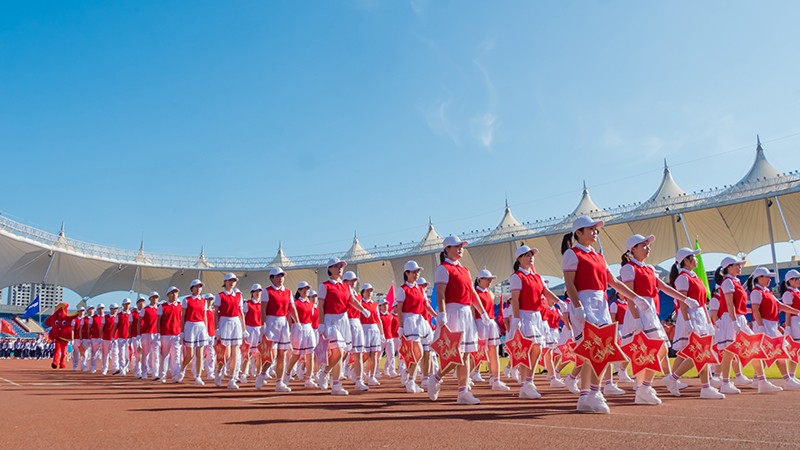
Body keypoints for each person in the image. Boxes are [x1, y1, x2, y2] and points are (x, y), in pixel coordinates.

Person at [561, 216, 656, 413]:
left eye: (596, 229)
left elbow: (613, 281)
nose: (595, 232)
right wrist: (578, 307)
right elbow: (569, 283)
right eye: (590, 229)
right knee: (595, 351)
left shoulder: (599, 256)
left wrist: (635, 297)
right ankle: (594, 392)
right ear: (578, 232)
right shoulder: (572, 254)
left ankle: (586, 395)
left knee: (598, 351)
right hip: (584, 303)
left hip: (600, 304)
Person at [618, 234, 698, 404]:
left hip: (650, 312)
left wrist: (685, 299)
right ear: (633, 249)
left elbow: (664, 287)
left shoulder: (649, 268)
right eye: (644, 245)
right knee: (652, 349)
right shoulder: (629, 268)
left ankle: (643, 387)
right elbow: (629, 296)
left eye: (648, 245)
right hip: (639, 312)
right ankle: (643, 386)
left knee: (658, 349)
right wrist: (636, 318)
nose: (648, 248)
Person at [427, 236, 493, 405]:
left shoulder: (465, 270)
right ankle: (436, 377)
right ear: (447, 249)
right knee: (456, 354)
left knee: (466, 354)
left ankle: (463, 392)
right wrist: (441, 314)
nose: (460, 249)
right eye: (456, 247)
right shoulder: (443, 269)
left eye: (461, 246)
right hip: (452, 311)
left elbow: (472, 294)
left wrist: (483, 312)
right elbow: (441, 293)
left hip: (466, 313)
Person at [663, 247, 724, 399]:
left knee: (687, 352)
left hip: (700, 315)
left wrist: (707, 320)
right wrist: (687, 321)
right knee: (700, 351)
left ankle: (675, 380)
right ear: (686, 260)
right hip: (690, 316)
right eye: (693, 257)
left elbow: (702, 301)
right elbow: (682, 302)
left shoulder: (694, 276)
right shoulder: (683, 278)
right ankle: (697, 384)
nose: (697, 259)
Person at [714, 257, 781, 394]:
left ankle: (762, 381)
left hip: (739, 317)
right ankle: (725, 382)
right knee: (729, 351)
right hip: (731, 318)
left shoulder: (735, 281)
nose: (740, 267)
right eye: (737, 265)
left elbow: (737, 304)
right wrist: (734, 322)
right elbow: (729, 304)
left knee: (754, 347)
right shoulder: (727, 282)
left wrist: (743, 314)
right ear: (729, 267)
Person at [508, 245, 561, 399]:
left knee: (535, 349)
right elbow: (516, 299)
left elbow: (546, 291)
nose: (530, 257)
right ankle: (527, 383)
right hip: (525, 315)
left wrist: (560, 302)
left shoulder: (537, 276)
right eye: (526, 255)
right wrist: (517, 318)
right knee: (532, 348)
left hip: (537, 316)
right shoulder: (517, 277)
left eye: (531, 254)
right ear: (519, 259)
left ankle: (526, 383)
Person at [317, 257, 372, 396]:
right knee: (339, 352)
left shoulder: (346, 286)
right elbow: (321, 306)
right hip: (330, 320)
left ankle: (333, 381)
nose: (340, 268)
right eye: (336, 266)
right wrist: (321, 323)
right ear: (329, 269)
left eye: (341, 266)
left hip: (344, 320)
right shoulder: (324, 286)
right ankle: (327, 375)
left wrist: (363, 310)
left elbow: (352, 301)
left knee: (341, 352)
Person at [748, 267, 800, 389]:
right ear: (759, 278)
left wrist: (797, 311)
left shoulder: (767, 291)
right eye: (767, 277)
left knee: (768, 353)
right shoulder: (756, 292)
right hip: (764, 325)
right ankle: (787, 380)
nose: (769, 279)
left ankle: (758, 379)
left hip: (771, 325)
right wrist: (760, 327)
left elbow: (780, 305)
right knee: (778, 352)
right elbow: (755, 309)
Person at [394, 260, 436, 394]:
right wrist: (400, 326)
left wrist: (436, 315)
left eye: (418, 272)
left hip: (420, 321)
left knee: (423, 352)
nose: (417, 274)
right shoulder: (402, 289)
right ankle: (410, 379)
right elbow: (399, 309)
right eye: (414, 272)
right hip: (408, 320)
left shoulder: (420, 289)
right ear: (407, 273)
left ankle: (409, 375)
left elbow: (426, 305)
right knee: (417, 352)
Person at [261, 267, 300, 392]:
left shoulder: (288, 292)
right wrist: (264, 325)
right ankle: (262, 374)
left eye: (282, 276)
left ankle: (279, 382)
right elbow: (263, 309)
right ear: (272, 278)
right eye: (277, 276)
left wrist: (297, 322)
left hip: (283, 323)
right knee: (271, 354)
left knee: (282, 354)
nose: (280, 279)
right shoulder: (267, 291)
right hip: (271, 322)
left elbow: (291, 308)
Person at [473, 269, 509, 392]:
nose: (489, 282)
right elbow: (473, 312)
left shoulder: (489, 293)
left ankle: (496, 379)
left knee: (493, 352)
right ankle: (468, 375)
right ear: (480, 280)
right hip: (479, 324)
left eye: (490, 280)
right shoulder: (475, 293)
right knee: (477, 353)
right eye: (487, 279)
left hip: (490, 323)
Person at [214, 273, 247, 389]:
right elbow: (215, 313)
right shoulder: (220, 296)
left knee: (235, 352)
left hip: (236, 323)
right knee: (224, 352)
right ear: (225, 282)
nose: (232, 283)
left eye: (234, 281)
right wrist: (216, 328)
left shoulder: (238, 296)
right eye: (230, 281)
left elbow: (241, 313)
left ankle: (232, 378)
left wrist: (244, 329)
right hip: (224, 322)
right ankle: (219, 371)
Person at [285, 281, 319, 389]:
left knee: (311, 354)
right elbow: (290, 317)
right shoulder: (295, 303)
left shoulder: (310, 303)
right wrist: (290, 330)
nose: (306, 291)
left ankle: (308, 379)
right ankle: (287, 374)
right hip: (298, 328)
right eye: (304, 289)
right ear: (299, 290)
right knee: (296, 354)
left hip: (309, 328)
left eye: (307, 289)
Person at [342, 271, 369, 391]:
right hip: (346, 322)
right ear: (345, 281)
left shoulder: (358, 295)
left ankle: (359, 380)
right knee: (342, 353)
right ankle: (332, 374)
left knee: (358, 352)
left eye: (355, 281)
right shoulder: (343, 294)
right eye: (351, 280)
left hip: (357, 323)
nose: (354, 283)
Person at [178, 279, 209, 385]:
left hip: (201, 326)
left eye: (200, 287)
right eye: (197, 286)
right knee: (190, 355)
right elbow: (183, 317)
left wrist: (207, 330)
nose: (199, 289)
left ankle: (198, 376)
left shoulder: (204, 301)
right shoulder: (186, 300)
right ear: (192, 288)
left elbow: (205, 317)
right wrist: (181, 331)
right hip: (189, 326)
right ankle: (182, 369)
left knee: (200, 354)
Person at [360, 283, 384, 386]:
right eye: (367, 291)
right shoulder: (360, 303)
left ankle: (371, 376)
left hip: (374, 329)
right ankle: (358, 372)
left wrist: (382, 333)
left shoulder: (375, 305)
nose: (369, 293)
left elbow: (379, 319)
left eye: (371, 291)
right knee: (365, 354)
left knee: (374, 354)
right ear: (363, 292)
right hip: (364, 329)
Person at [158, 287, 183, 383]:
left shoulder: (180, 306)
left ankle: (175, 375)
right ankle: (163, 375)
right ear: (168, 295)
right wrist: (158, 333)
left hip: (176, 334)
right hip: (165, 334)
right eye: (172, 293)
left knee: (176, 356)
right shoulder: (163, 306)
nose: (174, 295)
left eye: (176, 293)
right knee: (165, 356)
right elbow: (158, 320)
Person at [241, 283, 264, 384]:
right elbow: (243, 317)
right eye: (256, 291)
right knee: (248, 353)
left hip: (259, 330)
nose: (258, 293)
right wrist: (244, 330)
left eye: (259, 291)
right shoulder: (248, 304)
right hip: (250, 329)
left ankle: (258, 374)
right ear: (252, 293)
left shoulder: (263, 304)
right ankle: (243, 374)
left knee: (259, 353)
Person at [780, 269, 800, 379]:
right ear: (791, 281)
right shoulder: (788, 293)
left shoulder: (797, 292)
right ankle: (791, 375)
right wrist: (788, 327)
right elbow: (788, 312)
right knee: (796, 349)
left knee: (798, 350)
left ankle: (792, 375)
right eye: (797, 279)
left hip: (798, 321)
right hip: (794, 322)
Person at [139, 292, 161, 380]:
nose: (155, 299)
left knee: (155, 355)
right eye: (153, 297)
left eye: (156, 297)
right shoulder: (145, 309)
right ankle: (144, 373)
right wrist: (139, 335)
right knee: (145, 354)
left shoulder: (159, 309)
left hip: (155, 334)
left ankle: (155, 373)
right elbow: (139, 322)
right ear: (150, 298)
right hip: (146, 334)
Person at [379, 298, 399, 377]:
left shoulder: (390, 315)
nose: (386, 306)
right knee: (378, 356)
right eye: (384, 304)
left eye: (386, 304)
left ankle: (392, 371)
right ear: (380, 306)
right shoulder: (379, 316)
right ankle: (376, 371)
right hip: (381, 338)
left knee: (391, 355)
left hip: (390, 338)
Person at [115, 299, 133, 376]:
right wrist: (113, 337)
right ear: (123, 305)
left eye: (128, 304)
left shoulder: (131, 314)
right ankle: (122, 369)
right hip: (121, 338)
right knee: (121, 354)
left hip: (129, 338)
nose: (127, 306)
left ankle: (125, 367)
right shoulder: (119, 315)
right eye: (125, 304)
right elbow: (115, 327)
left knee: (128, 355)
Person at [101, 303, 120, 376]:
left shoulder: (118, 317)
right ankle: (105, 369)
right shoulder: (105, 317)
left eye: (116, 309)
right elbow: (102, 328)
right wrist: (100, 337)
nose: (115, 310)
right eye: (114, 309)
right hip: (106, 339)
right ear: (110, 309)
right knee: (105, 354)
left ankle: (115, 368)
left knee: (115, 354)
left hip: (115, 339)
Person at [130, 297, 145, 379]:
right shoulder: (133, 314)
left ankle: (141, 370)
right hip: (136, 336)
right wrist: (129, 337)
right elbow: (130, 326)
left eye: (143, 302)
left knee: (144, 354)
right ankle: (138, 371)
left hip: (145, 336)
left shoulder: (146, 312)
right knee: (138, 354)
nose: (141, 303)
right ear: (137, 303)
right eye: (140, 302)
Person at [88, 305, 103, 373]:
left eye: (102, 309)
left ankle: (104, 368)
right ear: (97, 310)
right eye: (99, 309)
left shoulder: (105, 317)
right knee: (94, 353)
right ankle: (93, 367)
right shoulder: (93, 318)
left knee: (105, 354)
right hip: (95, 338)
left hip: (103, 338)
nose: (101, 310)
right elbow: (89, 328)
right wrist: (89, 337)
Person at [71, 306, 86, 372]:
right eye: (81, 311)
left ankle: (83, 367)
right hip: (76, 339)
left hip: (84, 338)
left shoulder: (86, 319)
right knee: (76, 353)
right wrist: (72, 339)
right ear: (78, 312)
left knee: (84, 353)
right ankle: (75, 366)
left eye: (83, 311)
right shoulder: (74, 320)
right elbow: (72, 330)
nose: (82, 312)